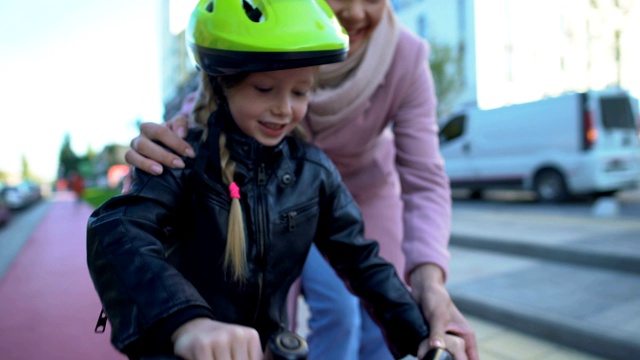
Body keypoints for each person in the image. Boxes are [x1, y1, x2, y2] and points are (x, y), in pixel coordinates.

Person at [87, 1, 460, 359]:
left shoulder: (312, 173)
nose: (284, 109)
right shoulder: (182, 161)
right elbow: (117, 232)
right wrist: (187, 323)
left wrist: (423, 332)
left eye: (301, 91)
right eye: (265, 89)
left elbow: (363, 260)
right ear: (222, 84)